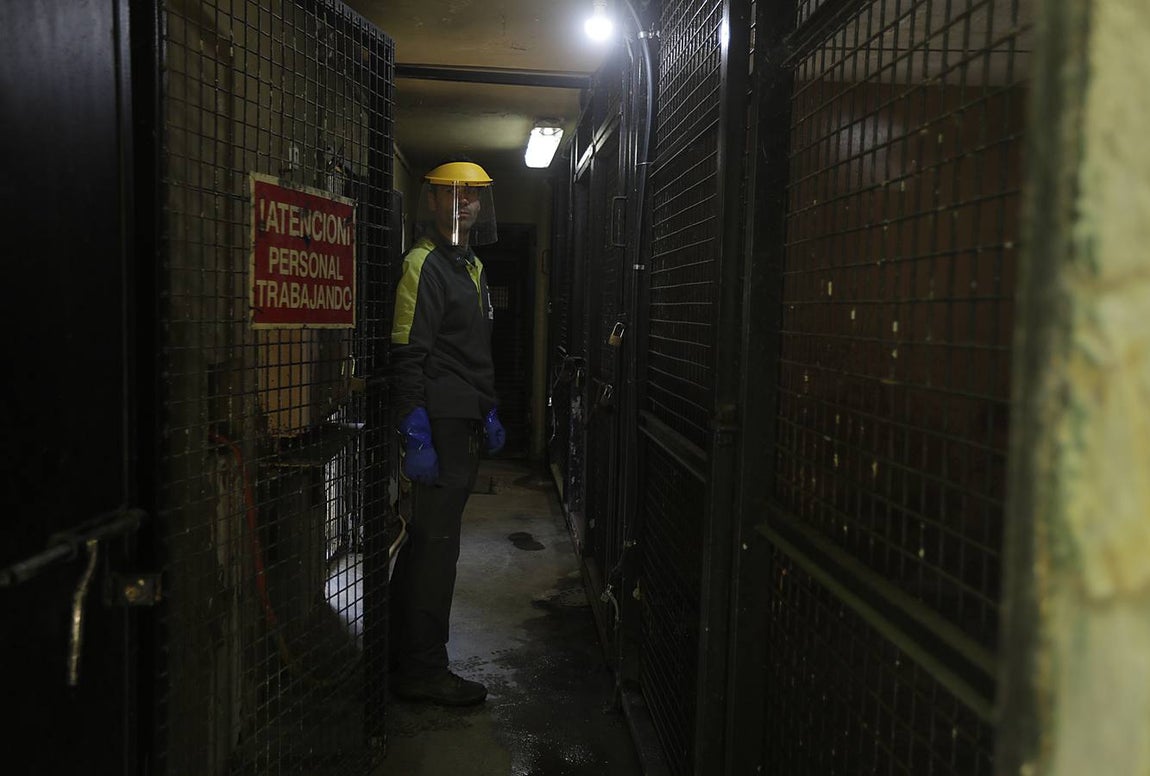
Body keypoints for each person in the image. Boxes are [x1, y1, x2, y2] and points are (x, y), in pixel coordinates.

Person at [387, 159, 506, 706]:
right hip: (437, 424)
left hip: (461, 419)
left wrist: (486, 408)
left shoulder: (471, 265)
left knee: (430, 544)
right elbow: (409, 350)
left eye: (473, 196)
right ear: (431, 201)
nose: (464, 204)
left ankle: (398, 655)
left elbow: (468, 351)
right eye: (451, 194)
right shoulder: (425, 263)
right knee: (437, 551)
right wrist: (415, 429)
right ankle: (422, 671)